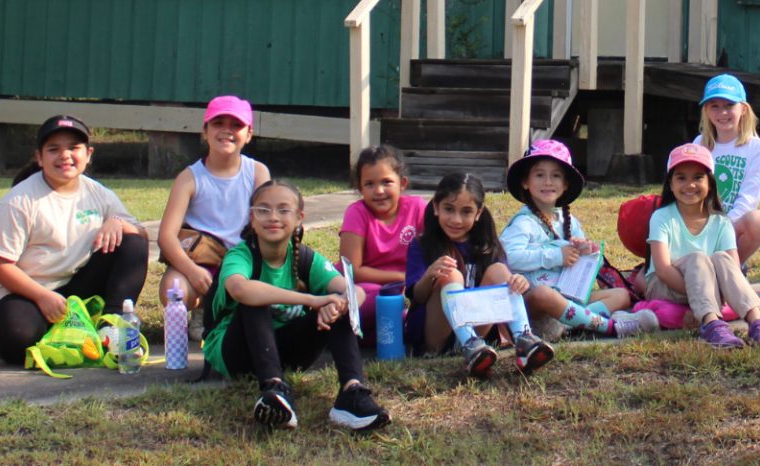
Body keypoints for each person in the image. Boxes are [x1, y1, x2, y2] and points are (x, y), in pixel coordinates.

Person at [205, 180, 389, 432]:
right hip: (237, 354)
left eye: (283, 210)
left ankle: (352, 392)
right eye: (263, 210)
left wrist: (338, 303)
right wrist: (313, 300)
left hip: (290, 353)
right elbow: (240, 288)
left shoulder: (303, 256)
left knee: (338, 304)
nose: (273, 217)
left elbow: (353, 290)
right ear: (252, 217)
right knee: (255, 298)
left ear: (299, 218)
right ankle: (274, 390)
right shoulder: (241, 255)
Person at [0, 115, 148, 365]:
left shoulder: (98, 193)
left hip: (79, 287)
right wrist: (42, 297)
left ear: (88, 154)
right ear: (39, 157)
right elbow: (0, 266)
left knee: (133, 242)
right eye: (54, 149)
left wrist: (117, 222)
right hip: (31, 293)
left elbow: (141, 235)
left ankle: (110, 324)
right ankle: (70, 333)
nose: (65, 155)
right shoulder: (18, 201)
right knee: (16, 341)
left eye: (73, 148)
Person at [500, 139, 653, 341]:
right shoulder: (524, 222)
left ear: (565, 185)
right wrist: (555, 256)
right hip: (536, 307)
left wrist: (587, 251)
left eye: (555, 176)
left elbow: (583, 262)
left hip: (569, 298)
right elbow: (508, 257)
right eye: (539, 175)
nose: (548, 182)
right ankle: (611, 327)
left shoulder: (569, 221)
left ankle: (575, 325)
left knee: (621, 295)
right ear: (525, 182)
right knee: (544, 294)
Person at [404, 173, 549, 377]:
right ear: (436, 207)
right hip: (437, 338)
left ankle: (524, 338)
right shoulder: (422, 244)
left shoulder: (487, 245)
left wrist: (518, 282)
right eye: (449, 209)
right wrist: (430, 276)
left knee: (500, 271)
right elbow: (416, 296)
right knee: (451, 274)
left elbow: (504, 281)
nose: (456, 219)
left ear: (479, 212)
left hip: (479, 333)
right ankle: (469, 344)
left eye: (466, 212)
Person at [640, 143, 760, 348]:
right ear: (670, 184)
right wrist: (700, 291)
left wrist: (708, 290)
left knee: (722, 258)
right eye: (681, 178)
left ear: (711, 183)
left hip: (708, 287)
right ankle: (712, 324)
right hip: (667, 285)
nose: (690, 185)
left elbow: (732, 268)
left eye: (698, 177)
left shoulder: (721, 222)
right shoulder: (662, 217)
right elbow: (662, 269)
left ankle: (758, 322)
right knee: (698, 258)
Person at [154, 96, 270, 341]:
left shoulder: (257, 172)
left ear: (249, 134)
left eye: (236, 125)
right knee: (173, 291)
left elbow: (270, 223)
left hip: (244, 260)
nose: (226, 131)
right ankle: (202, 308)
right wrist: (192, 271)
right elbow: (166, 236)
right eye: (218, 123)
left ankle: (232, 312)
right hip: (203, 259)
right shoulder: (189, 178)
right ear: (205, 131)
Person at [338, 145, 422, 341]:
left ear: (402, 183)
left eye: (386, 182)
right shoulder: (356, 213)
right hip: (366, 289)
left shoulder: (417, 208)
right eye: (369, 184)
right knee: (377, 302)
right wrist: (401, 279)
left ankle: (385, 331)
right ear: (359, 187)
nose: (379, 191)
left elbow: (433, 252)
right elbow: (351, 270)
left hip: (408, 289)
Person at [692, 74, 760, 263]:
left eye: (729, 105)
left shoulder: (758, 148)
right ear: (706, 110)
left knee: (758, 221)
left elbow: (749, 200)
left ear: (743, 109)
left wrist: (721, 228)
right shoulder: (699, 143)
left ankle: (732, 269)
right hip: (701, 225)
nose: (722, 113)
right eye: (715, 106)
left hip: (732, 226)